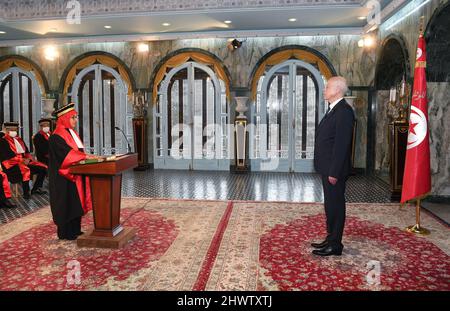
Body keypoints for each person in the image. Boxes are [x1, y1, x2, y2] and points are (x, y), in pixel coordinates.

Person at [312, 76, 355, 257]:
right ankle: (331, 238)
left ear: (337, 90)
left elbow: (341, 145)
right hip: (328, 167)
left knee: (336, 204)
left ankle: (336, 244)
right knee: (330, 204)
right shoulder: (334, 109)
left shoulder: (344, 111)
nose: (324, 89)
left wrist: (334, 171)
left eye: (327, 86)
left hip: (333, 170)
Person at [48, 103, 98, 240]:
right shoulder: (56, 137)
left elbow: (78, 152)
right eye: (73, 117)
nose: (76, 120)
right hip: (63, 177)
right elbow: (66, 155)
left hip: (75, 174)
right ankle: (65, 233)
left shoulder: (72, 134)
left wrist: (86, 156)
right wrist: (85, 157)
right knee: (66, 203)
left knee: (76, 202)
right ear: (64, 118)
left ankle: (75, 230)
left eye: (76, 117)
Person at [0, 122, 48, 199]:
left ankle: (36, 189)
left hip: (24, 162)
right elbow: (6, 157)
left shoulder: (19, 139)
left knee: (43, 168)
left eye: (15, 130)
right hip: (11, 166)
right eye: (12, 130)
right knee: (26, 170)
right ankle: (26, 192)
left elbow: (27, 152)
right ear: (6, 130)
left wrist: (28, 159)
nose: (14, 132)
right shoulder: (2, 141)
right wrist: (22, 160)